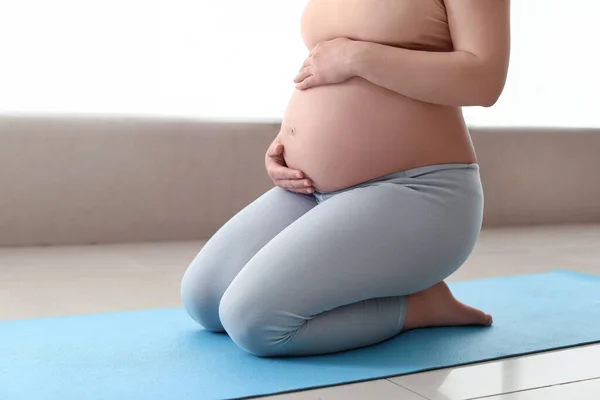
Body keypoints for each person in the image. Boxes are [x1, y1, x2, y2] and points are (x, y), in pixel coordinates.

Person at [181, 0, 511, 357]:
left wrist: (357, 58)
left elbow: (484, 80)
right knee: (203, 299)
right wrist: (289, 142)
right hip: (311, 191)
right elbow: (327, 71)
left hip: (417, 191)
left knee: (254, 322)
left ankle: (420, 306)